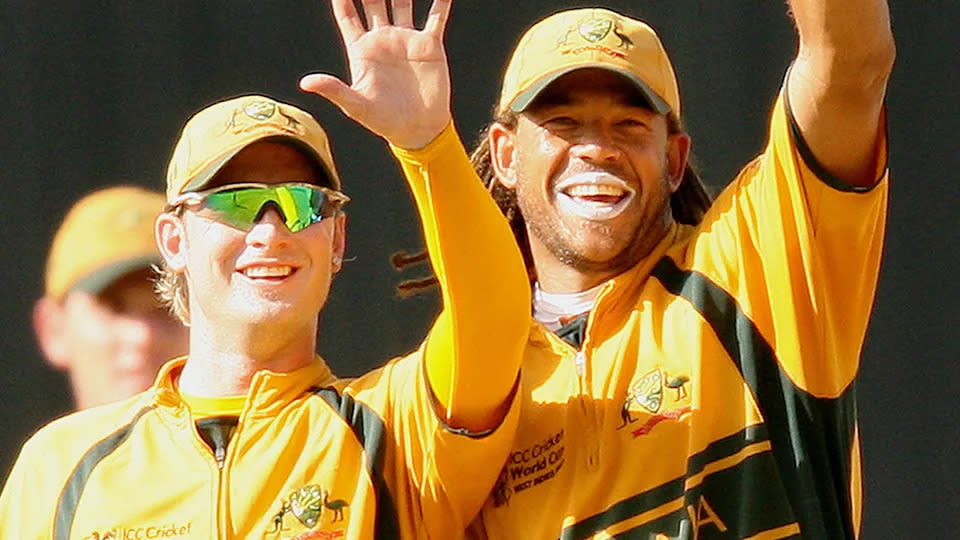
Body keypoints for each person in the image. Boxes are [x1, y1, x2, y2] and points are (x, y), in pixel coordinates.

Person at [0, 0, 529, 538]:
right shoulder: (60, 465)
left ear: (337, 238)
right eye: (235, 202)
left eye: (302, 203)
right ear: (174, 240)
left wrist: (428, 147)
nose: (271, 233)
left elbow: (497, 321)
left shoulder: (393, 428)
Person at [384, 2, 893, 538]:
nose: (597, 149)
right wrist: (423, 145)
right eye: (563, 123)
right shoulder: (466, 383)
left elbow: (852, 65)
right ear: (506, 156)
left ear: (674, 161)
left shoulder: (752, 270)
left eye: (628, 124)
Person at [32, 185, 188, 410]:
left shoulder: (252, 444)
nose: (142, 336)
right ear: (53, 329)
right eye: (115, 308)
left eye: (166, 306)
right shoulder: (45, 447)